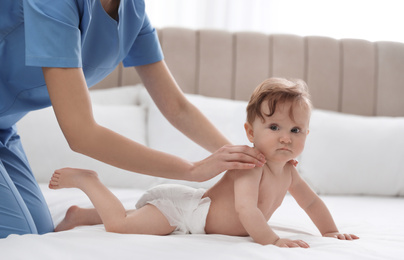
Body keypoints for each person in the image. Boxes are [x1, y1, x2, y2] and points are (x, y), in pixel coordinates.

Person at [0, 0, 266, 238]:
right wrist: (193, 170)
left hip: (4, 128)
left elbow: (176, 107)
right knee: (18, 240)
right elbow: (81, 134)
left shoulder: (132, 10)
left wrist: (242, 158)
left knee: (36, 236)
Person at [49, 78, 359, 247]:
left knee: (137, 216)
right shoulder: (253, 165)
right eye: (274, 127)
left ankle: (81, 216)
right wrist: (272, 240)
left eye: (296, 130)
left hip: (194, 209)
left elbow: (312, 203)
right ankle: (89, 180)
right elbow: (245, 210)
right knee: (121, 226)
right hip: (184, 214)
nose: (285, 138)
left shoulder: (289, 173)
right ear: (251, 132)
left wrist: (330, 232)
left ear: (306, 133)